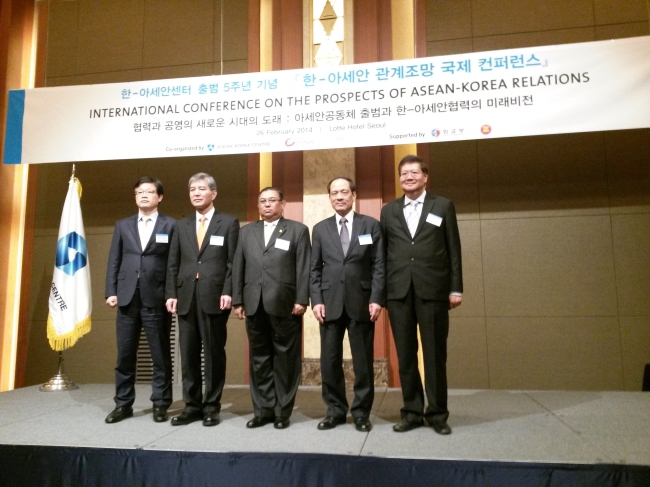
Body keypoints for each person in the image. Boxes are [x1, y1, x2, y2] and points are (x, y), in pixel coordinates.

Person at [380, 155, 463, 435]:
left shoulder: (442, 206)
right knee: (405, 356)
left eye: (414, 172)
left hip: (434, 290)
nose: (408, 177)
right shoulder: (388, 211)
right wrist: (380, 294)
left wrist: (456, 287)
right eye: (403, 173)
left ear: (425, 177)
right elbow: (383, 254)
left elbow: (454, 249)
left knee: (435, 356)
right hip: (399, 292)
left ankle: (437, 414)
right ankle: (412, 412)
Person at [310, 177, 385, 432]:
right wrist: (316, 300)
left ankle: (361, 412)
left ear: (354, 195)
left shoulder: (371, 225)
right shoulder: (320, 229)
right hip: (329, 303)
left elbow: (378, 266)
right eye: (334, 193)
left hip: (362, 302)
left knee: (362, 361)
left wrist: (376, 298)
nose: (339, 197)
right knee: (329, 361)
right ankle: (335, 411)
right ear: (329, 197)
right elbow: (314, 270)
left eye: (344, 192)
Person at [232, 187, 311, 429]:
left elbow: (303, 267)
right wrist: (238, 300)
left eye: (272, 201)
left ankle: (282, 412)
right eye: (262, 201)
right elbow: (237, 266)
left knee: (285, 359)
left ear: (283, 204)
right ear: (258, 206)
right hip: (253, 303)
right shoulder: (246, 232)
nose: (267, 205)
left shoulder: (297, 230)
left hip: (285, 304)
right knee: (259, 359)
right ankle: (263, 410)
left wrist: (302, 299)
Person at [165, 173, 239, 427]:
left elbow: (232, 263)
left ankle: (212, 406)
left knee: (213, 353)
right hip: (186, 295)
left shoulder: (228, 223)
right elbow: (173, 263)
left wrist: (229, 290)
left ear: (213, 193)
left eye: (201, 189)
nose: (196, 193)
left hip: (215, 296)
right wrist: (171, 293)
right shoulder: (181, 225)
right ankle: (192, 405)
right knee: (188, 354)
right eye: (192, 189)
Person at [104, 177, 176, 424]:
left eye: (149, 191)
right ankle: (123, 405)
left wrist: (171, 294)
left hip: (156, 297)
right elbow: (114, 259)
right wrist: (110, 290)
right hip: (126, 297)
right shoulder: (123, 225)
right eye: (139, 192)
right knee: (125, 355)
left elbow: (173, 265)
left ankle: (160, 404)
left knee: (160, 355)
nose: (144, 195)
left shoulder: (171, 225)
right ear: (135, 196)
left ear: (160, 197)